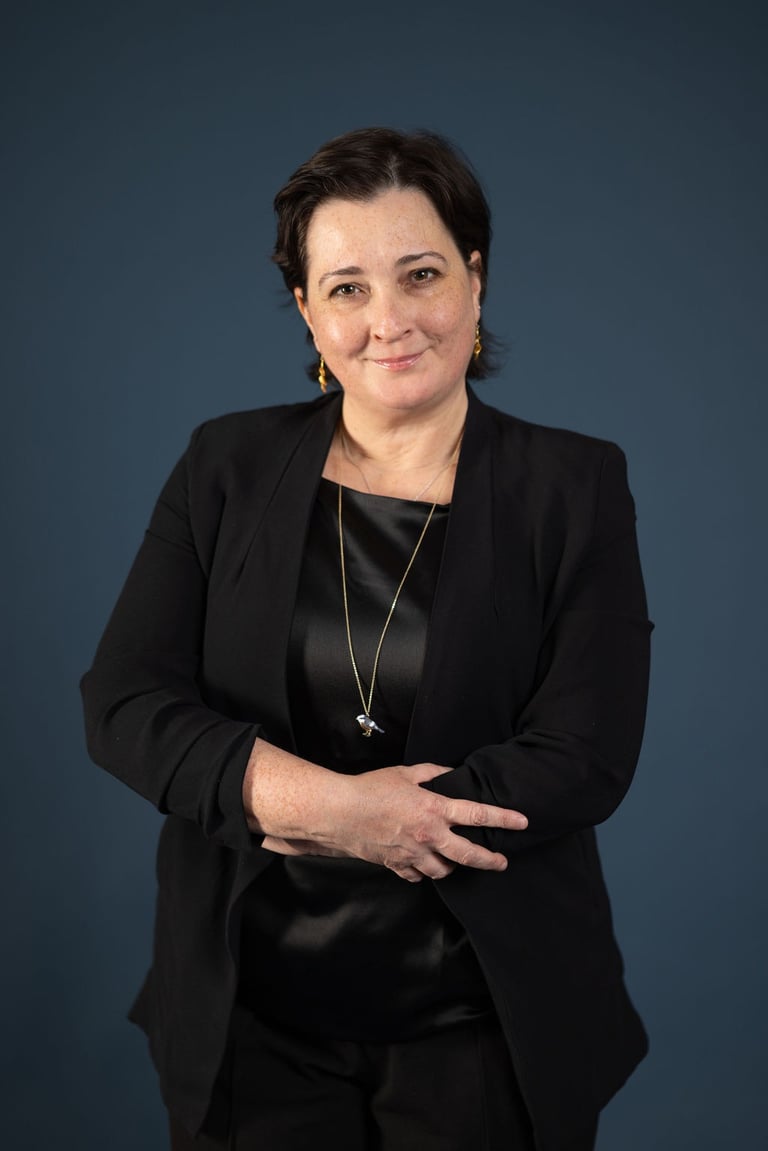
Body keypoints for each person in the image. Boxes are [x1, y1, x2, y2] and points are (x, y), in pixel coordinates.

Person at [81, 127, 652, 1151]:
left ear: (475, 279)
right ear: (308, 310)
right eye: (347, 287)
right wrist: (337, 812)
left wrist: (399, 822)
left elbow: (587, 749)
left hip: (484, 1023)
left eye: (420, 274)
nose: (389, 320)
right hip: (250, 1023)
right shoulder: (225, 465)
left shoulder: (575, 484)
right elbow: (124, 703)